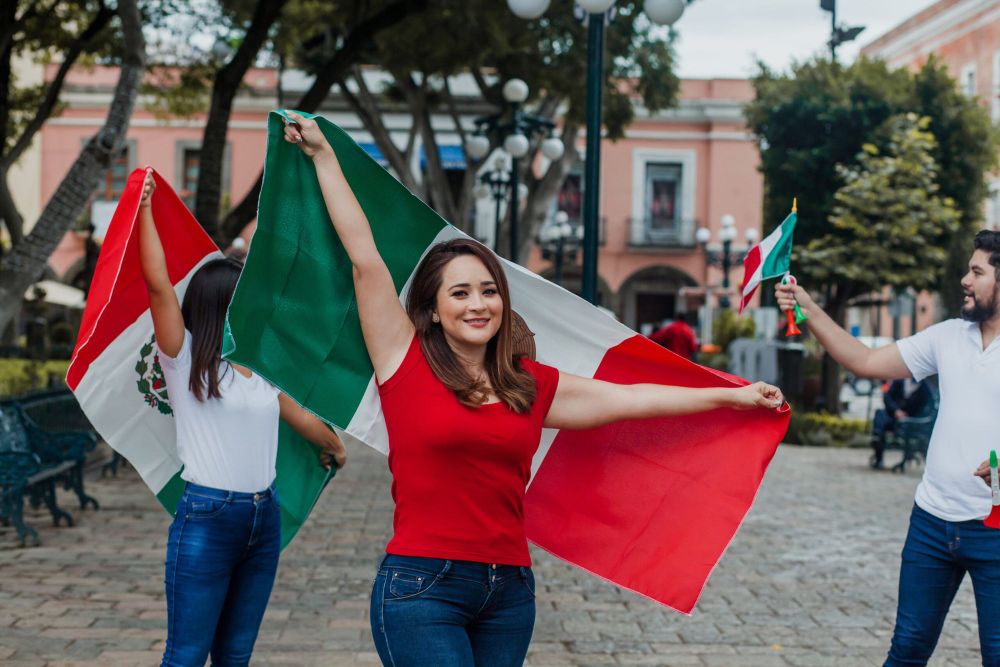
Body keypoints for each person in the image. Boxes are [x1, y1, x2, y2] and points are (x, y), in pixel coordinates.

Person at [283, 112, 785, 667]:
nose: (477, 304)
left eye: (488, 291)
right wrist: (324, 157)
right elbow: (364, 258)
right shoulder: (403, 361)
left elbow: (630, 398)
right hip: (422, 586)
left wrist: (732, 396)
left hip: (509, 593)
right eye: (460, 294)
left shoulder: (528, 384)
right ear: (432, 308)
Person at [137, 171, 348, 667]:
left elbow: (299, 416)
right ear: (221, 307)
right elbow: (158, 286)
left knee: (235, 653)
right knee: (186, 654)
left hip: (263, 517)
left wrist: (333, 447)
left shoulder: (261, 367)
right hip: (207, 516)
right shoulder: (183, 356)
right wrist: (144, 211)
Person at [776, 230, 1000, 667]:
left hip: (996, 533)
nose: (964, 280)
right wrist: (809, 309)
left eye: (977, 271)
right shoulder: (949, 336)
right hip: (932, 524)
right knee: (908, 649)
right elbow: (865, 360)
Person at [869, 378, 934, 469]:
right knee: (880, 414)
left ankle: (879, 436)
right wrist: (896, 411)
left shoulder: (925, 387)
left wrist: (909, 415)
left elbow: (927, 407)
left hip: (911, 419)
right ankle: (877, 438)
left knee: (902, 425)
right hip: (894, 416)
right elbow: (887, 396)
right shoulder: (899, 380)